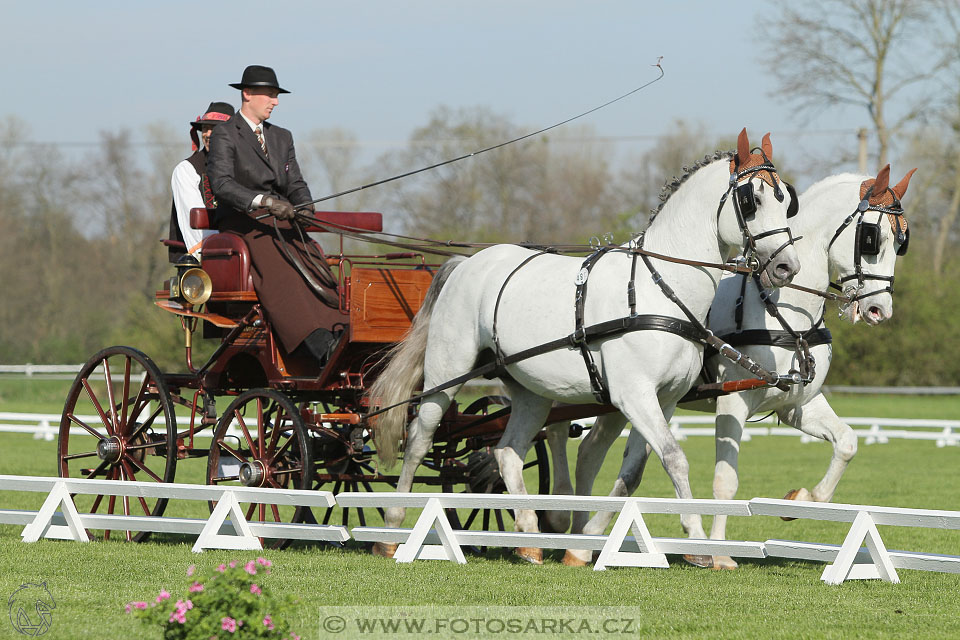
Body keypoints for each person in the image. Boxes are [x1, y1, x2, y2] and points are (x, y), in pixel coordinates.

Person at [207, 65, 343, 366]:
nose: (275, 101)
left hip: (281, 220)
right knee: (279, 262)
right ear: (247, 94)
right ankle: (314, 340)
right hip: (244, 223)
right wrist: (264, 201)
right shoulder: (225, 134)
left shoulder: (282, 137)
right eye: (270, 94)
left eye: (276, 95)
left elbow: (295, 182)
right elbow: (222, 185)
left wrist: (305, 207)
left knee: (313, 259)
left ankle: (338, 328)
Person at [168, 101, 234, 260]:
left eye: (216, 128)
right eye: (205, 128)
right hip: (206, 263)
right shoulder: (186, 170)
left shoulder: (246, 168)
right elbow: (197, 234)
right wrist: (223, 257)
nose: (208, 134)